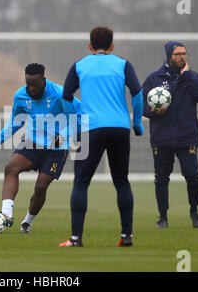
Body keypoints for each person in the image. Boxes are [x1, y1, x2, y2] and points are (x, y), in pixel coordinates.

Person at [60, 26, 144, 247]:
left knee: (80, 183)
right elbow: (137, 92)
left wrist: (77, 122)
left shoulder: (79, 66)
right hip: (119, 128)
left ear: (89, 45)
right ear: (112, 46)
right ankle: (127, 236)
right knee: (122, 182)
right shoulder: (123, 65)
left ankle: (76, 238)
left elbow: (66, 97)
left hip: (91, 130)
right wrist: (136, 122)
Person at [0, 63, 80, 233]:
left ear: (44, 80)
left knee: (41, 186)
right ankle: (6, 215)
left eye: (35, 84)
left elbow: (78, 115)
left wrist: (63, 135)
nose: (31, 88)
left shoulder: (60, 94)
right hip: (32, 143)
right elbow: (14, 123)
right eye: (28, 84)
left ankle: (27, 222)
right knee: (11, 168)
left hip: (57, 148)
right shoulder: (20, 96)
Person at [142, 41, 198, 229]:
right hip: (161, 138)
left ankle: (194, 210)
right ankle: (162, 217)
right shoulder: (155, 78)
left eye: (184, 54)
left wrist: (187, 75)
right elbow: (142, 105)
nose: (181, 57)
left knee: (192, 175)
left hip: (186, 136)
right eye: (177, 54)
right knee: (161, 178)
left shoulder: (191, 77)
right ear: (169, 57)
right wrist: (154, 110)